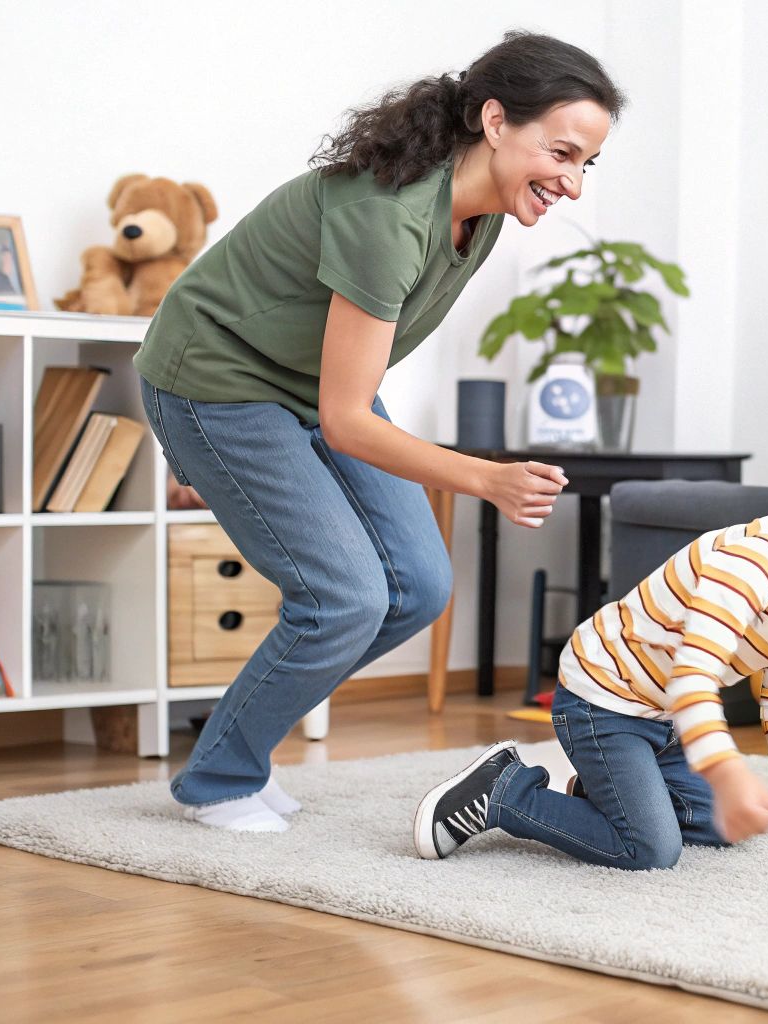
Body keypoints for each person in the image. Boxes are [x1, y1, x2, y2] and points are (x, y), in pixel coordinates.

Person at [134, 31, 622, 832]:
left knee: (419, 588)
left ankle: (239, 744)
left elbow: (345, 396)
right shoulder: (388, 216)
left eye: (585, 165)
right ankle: (221, 776)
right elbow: (349, 418)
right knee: (342, 596)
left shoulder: (483, 214)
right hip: (215, 380)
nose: (570, 183)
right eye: (561, 153)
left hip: (306, 383)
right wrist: (484, 477)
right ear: (495, 121)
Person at [413, 401, 768, 868]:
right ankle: (504, 793)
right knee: (649, 849)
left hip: (661, 717)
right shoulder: (750, 562)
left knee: (724, 826)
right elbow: (692, 679)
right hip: (606, 701)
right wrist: (726, 773)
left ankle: (601, 792)